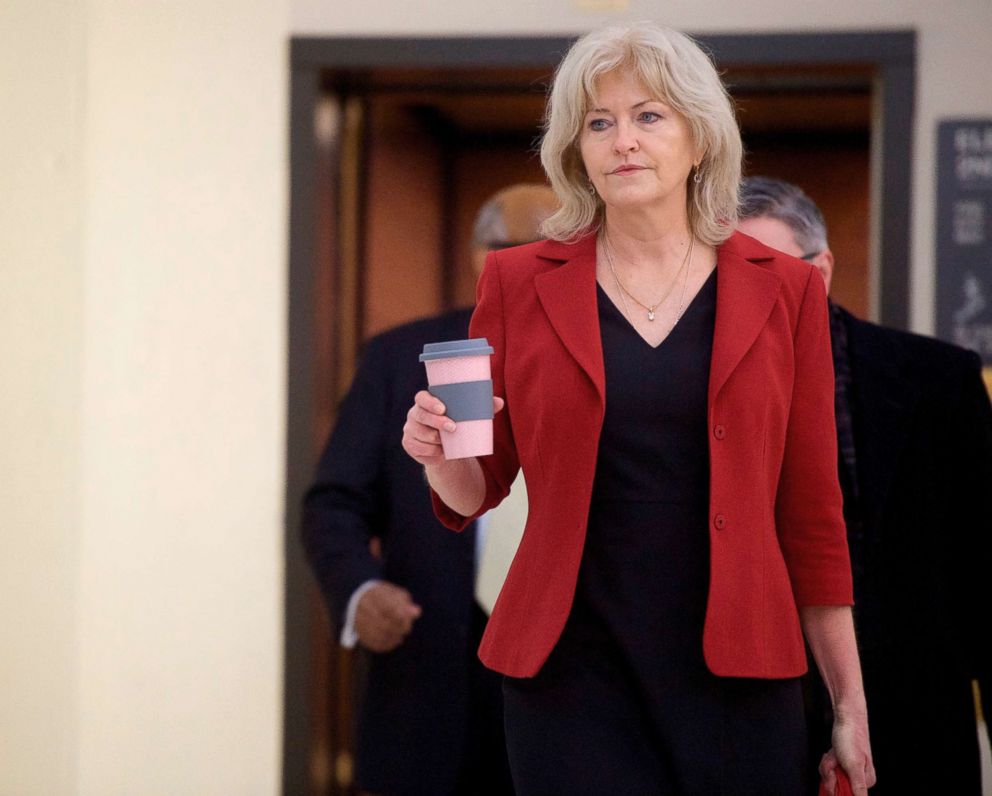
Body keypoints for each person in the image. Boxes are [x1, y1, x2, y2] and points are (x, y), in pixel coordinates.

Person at [402, 22, 876, 796]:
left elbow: (813, 512)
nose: (623, 139)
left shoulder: (784, 289)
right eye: (599, 122)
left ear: (699, 138)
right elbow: (475, 487)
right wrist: (440, 453)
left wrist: (849, 704)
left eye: (649, 116)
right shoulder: (518, 282)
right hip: (568, 675)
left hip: (741, 673)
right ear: (575, 149)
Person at [738, 175, 992, 795]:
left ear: (819, 269)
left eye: (767, 274)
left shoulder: (939, 380)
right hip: (751, 713)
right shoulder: (689, 390)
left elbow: (982, 566)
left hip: (913, 705)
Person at [302, 183, 558, 796]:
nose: (527, 262)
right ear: (477, 255)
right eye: (511, 247)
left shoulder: (607, 359)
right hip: (426, 672)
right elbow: (334, 502)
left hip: (563, 677)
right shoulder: (401, 358)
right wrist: (359, 592)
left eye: (550, 247)